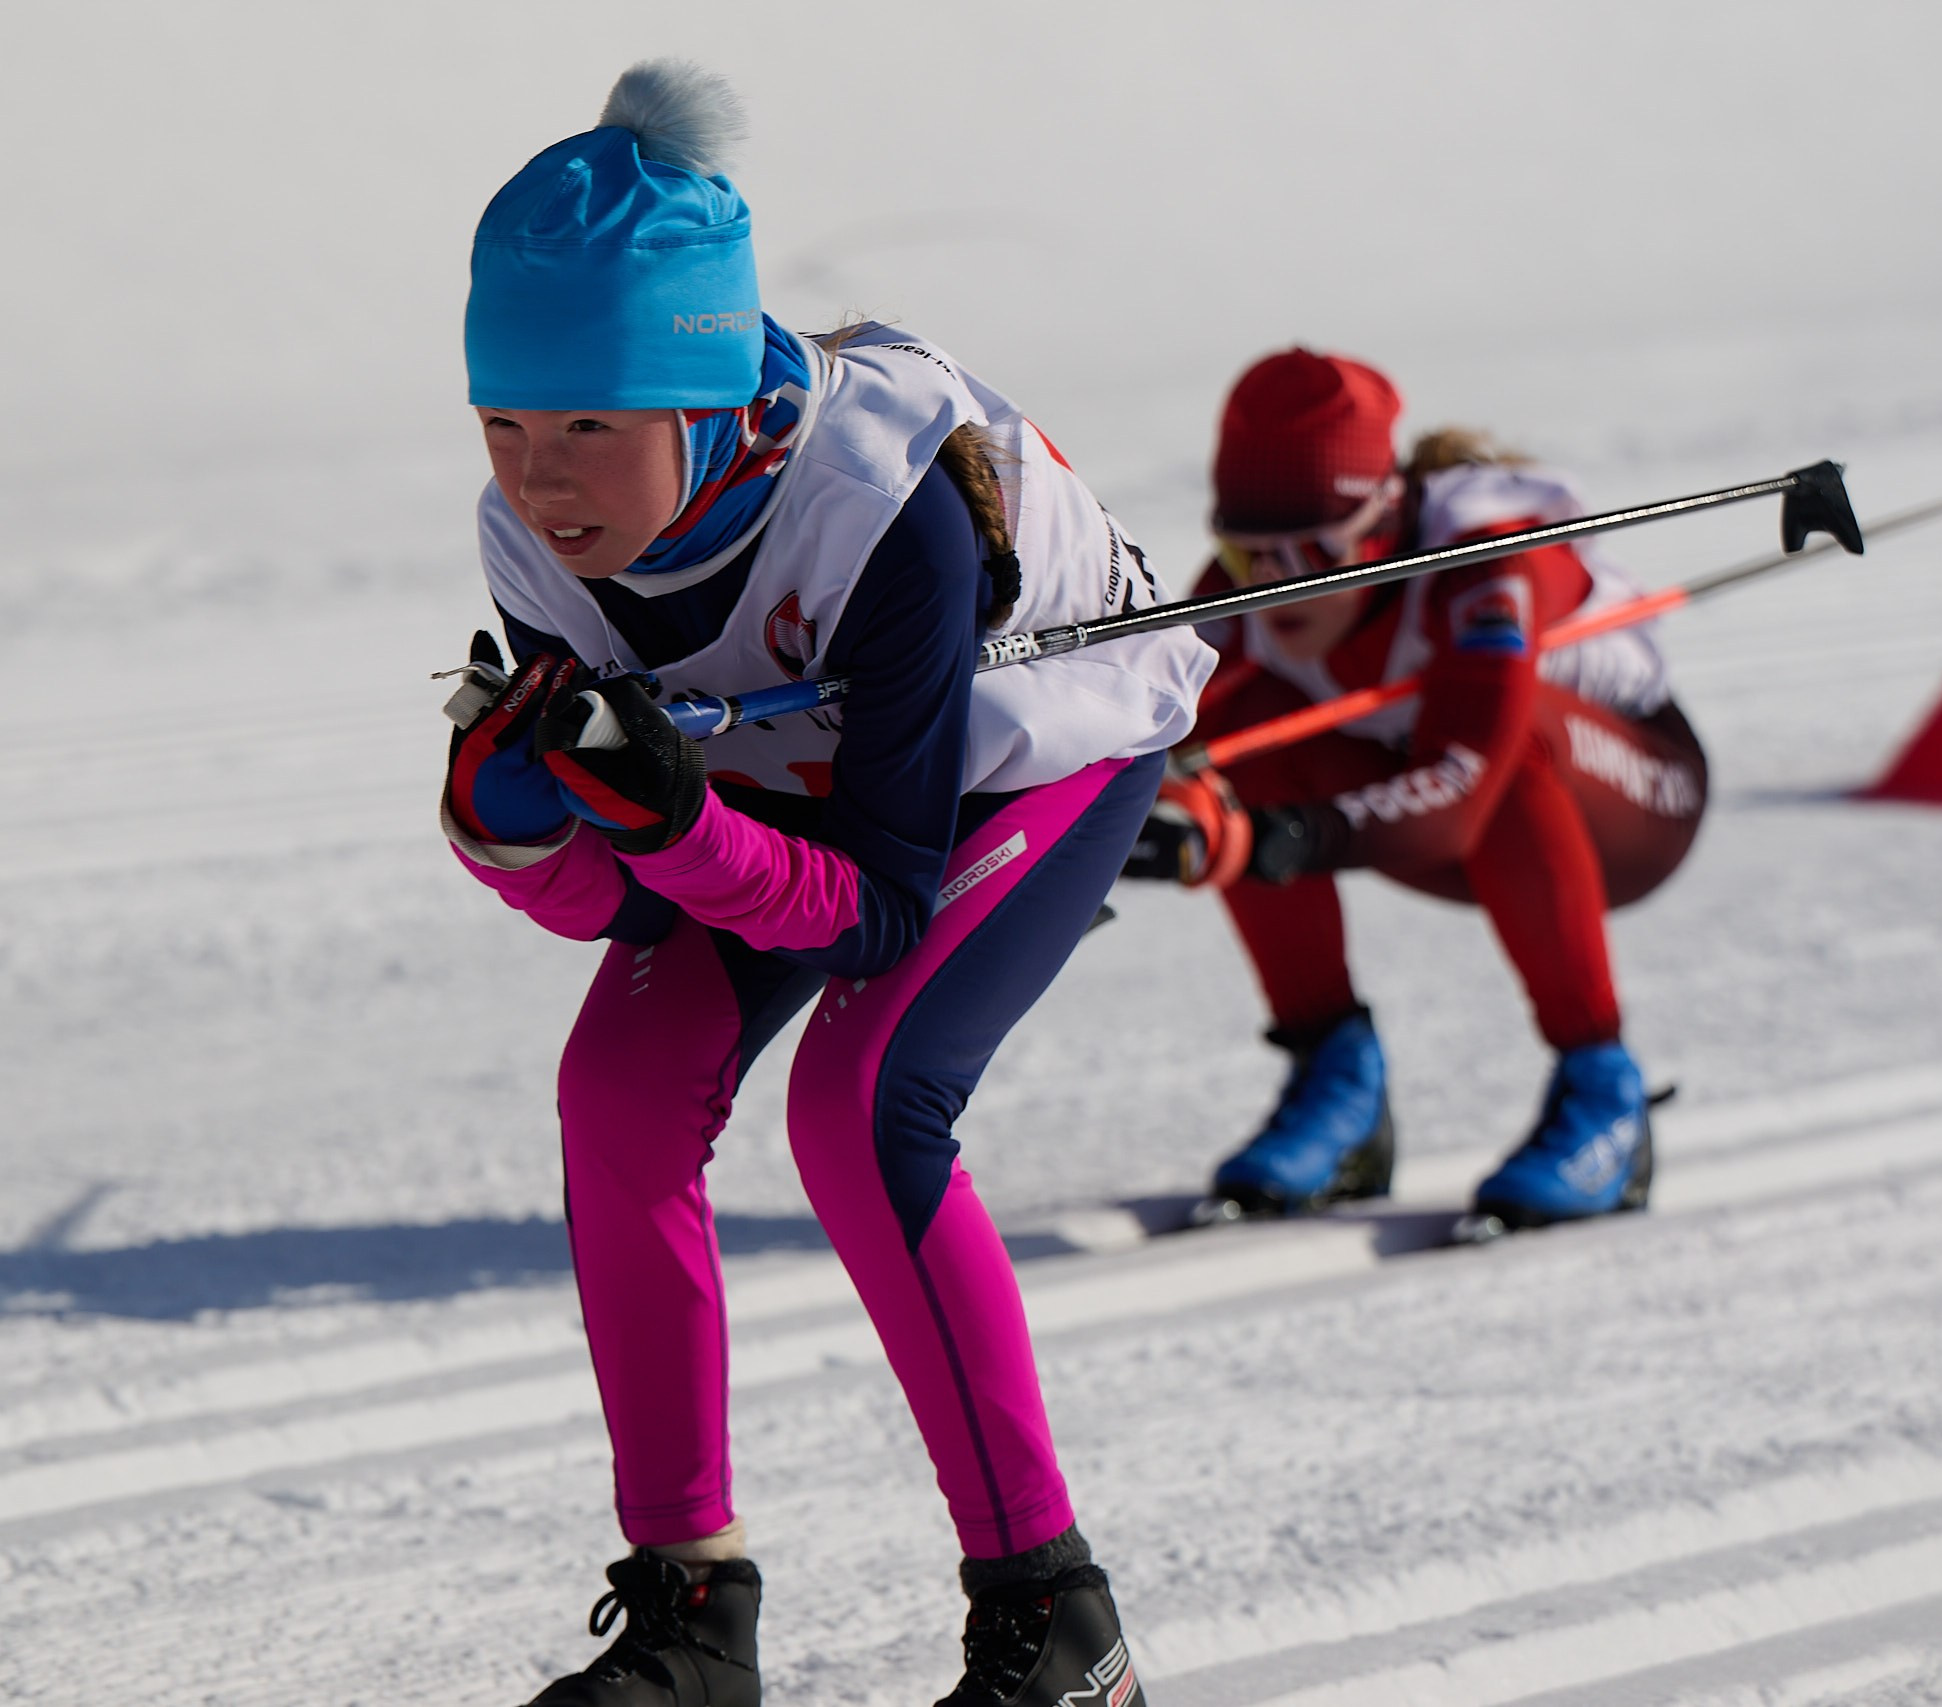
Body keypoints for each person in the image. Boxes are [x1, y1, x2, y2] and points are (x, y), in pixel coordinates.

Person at [442, 62, 1209, 1707]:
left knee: (864, 1101)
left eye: (589, 423)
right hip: (793, 788)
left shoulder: (885, 511)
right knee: (618, 1089)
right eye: (505, 422)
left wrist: (657, 826)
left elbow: (870, 906)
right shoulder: (537, 550)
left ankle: (1058, 1626)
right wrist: (524, 838)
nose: (540, 477)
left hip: (1031, 749)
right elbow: (644, 910)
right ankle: (691, 1621)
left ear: (707, 405)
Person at [1123, 347, 1709, 1229]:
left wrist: (1265, 838)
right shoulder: (1241, 601)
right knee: (1228, 742)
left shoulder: (1484, 565)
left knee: (1516, 741)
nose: (1283, 577)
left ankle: (1603, 1092)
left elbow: (1462, 791)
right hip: (1437, 811)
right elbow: (1147, 746)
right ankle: (1340, 1085)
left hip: (1628, 805)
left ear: (1386, 510)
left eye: (1319, 545)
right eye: (1249, 552)